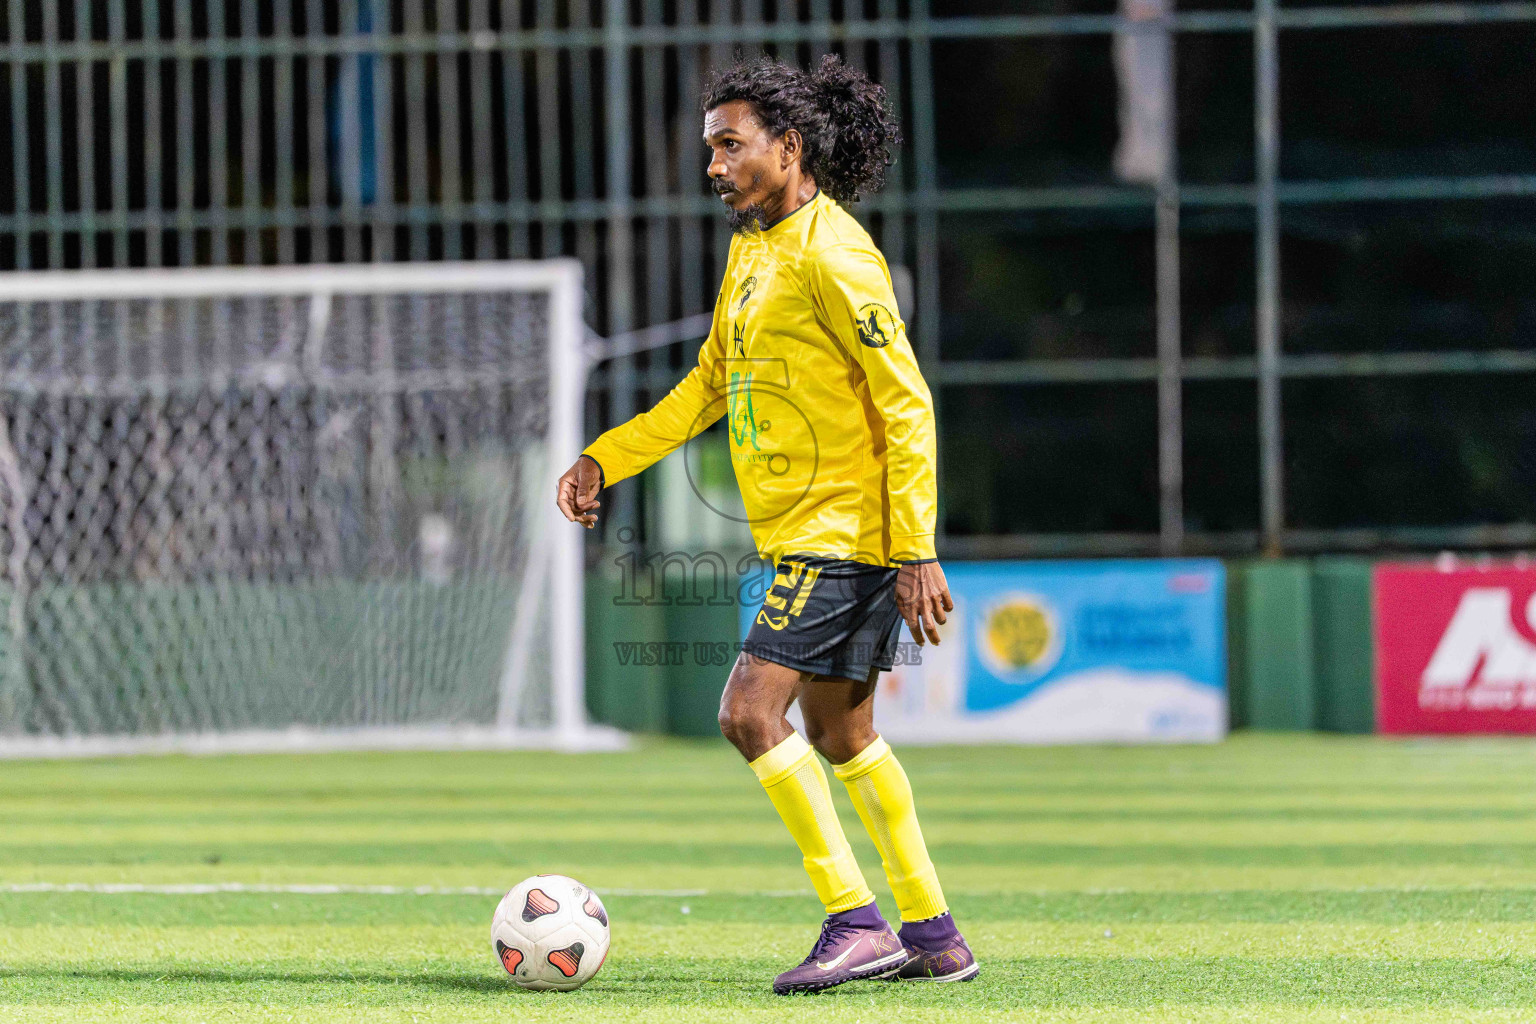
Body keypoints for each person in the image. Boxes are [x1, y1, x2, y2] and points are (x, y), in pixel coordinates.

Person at [556, 54, 977, 994]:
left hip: (843, 535)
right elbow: (712, 380)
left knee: (750, 713)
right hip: (817, 535)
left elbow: (904, 402)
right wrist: (605, 457)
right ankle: (934, 932)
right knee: (842, 732)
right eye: (710, 148)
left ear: (789, 149)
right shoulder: (755, 246)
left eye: (729, 146)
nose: (713, 166)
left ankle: (852, 917)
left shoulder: (835, 255)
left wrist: (914, 546)